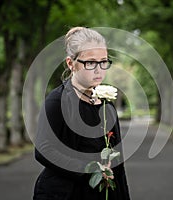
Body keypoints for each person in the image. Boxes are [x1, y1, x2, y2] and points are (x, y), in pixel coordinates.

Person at [33, 27, 130, 200]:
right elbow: (43, 150)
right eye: (90, 63)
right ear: (71, 64)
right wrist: (89, 168)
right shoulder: (57, 100)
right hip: (63, 194)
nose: (99, 69)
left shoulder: (107, 104)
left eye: (104, 62)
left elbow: (118, 163)